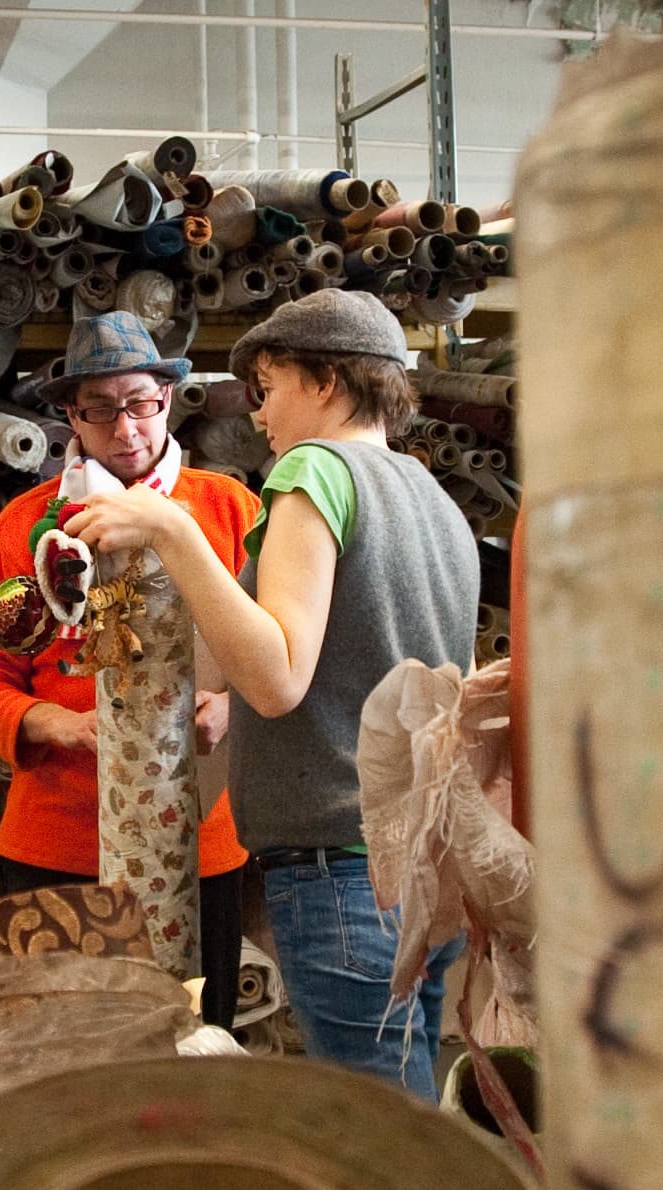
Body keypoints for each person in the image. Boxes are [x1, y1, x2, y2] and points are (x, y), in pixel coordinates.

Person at [63, 290, 480, 1098]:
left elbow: (279, 676)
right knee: (409, 1127)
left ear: (325, 382)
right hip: (432, 866)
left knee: (369, 1145)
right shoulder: (432, 500)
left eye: (269, 387)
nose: (259, 416)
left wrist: (172, 530)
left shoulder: (314, 469)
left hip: (345, 870)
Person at [0, 311, 261, 1027]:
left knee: (187, 1037)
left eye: (141, 404)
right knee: (56, 1047)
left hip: (197, 841)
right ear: (70, 416)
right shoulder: (21, 528)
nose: (126, 431)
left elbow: (284, 653)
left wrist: (233, 709)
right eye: (100, 410)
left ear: (165, 399)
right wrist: (53, 723)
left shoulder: (230, 511)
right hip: (57, 840)